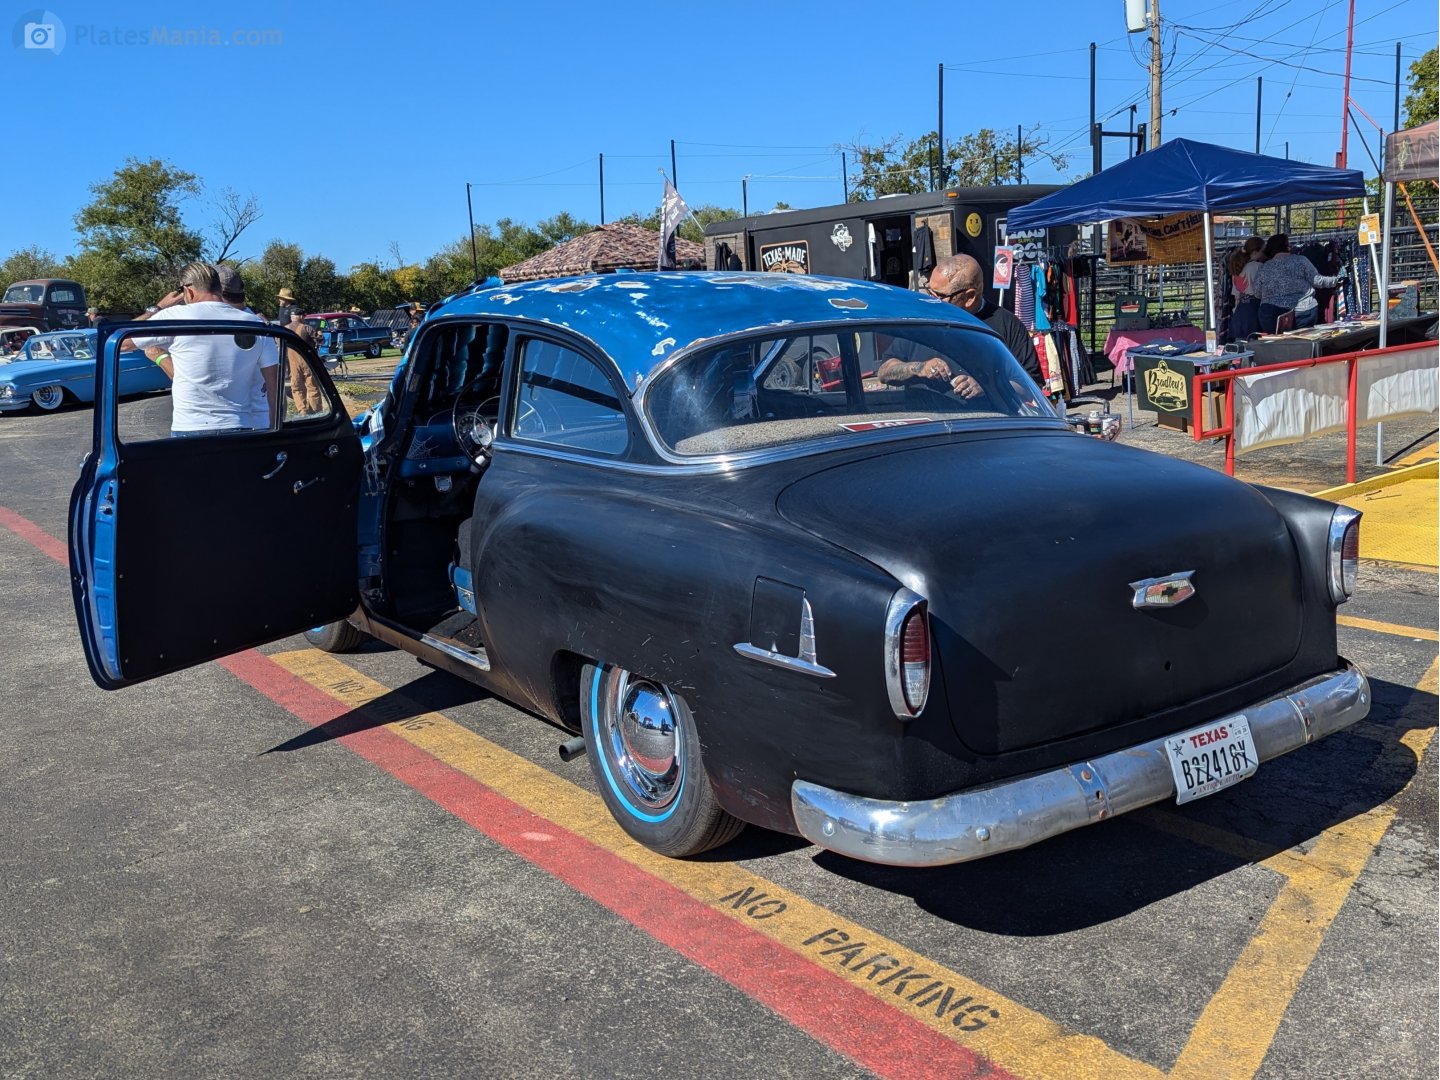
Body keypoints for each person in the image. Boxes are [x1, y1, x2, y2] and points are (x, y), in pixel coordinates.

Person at [128, 261, 278, 436]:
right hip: (241, 426)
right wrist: (275, 431)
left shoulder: (174, 318)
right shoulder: (257, 325)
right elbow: (274, 384)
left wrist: (158, 307)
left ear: (189, 292)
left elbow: (120, 339)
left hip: (190, 428)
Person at [897, 253, 1044, 387]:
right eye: (929, 292)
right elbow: (885, 370)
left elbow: (1030, 383)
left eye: (939, 296)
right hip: (926, 415)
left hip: (987, 416)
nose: (931, 301)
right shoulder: (920, 321)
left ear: (969, 297)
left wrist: (989, 388)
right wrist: (918, 368)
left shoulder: (1008, 325)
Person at [1251, 233, 1344, 333]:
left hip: (1271, 312)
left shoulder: (1264, 267)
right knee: (1302, 343)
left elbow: (1257, 293)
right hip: (1303, 310)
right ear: (1287, 246)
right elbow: (1317, 281)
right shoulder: (1301, 261)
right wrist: (1336, 280)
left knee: (1275, 344)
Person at [1227, 238, 1265, 341]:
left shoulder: (1236, 269)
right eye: (1263, 251)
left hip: (1240, 312)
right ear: (1255, 252)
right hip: (1254, 310)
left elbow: (1236, 297)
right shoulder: (1258, 267)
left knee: (1240, 347)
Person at [286, 316, 326, 415]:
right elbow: (320, 341)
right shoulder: (307, 328)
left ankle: (302, 411)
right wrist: (320, 334)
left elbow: (279, 344)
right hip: (308, 361)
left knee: (296, 387)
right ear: (301, 316)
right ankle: (316, 411)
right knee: (312, 387)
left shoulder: (284, 328)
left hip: (292, 362)